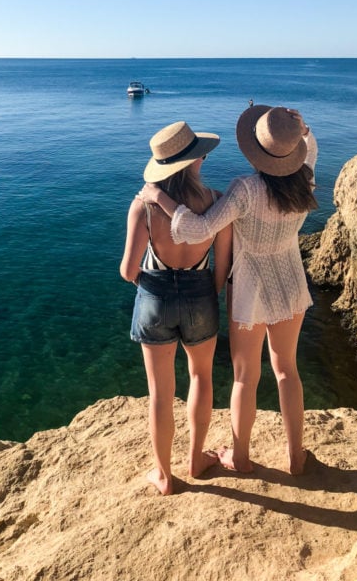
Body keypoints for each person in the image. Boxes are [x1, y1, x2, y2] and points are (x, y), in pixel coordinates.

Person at [138, 106, 317, 476]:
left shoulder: (244, 190)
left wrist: (160, 199)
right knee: (287, 370)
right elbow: (309, 151)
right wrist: (301, 132)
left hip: (250, 290)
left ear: (255, 149)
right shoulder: (306, 180)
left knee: (244, 377)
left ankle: (239, 456)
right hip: (290, 284)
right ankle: (296, 455)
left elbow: (199, 229)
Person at [120, 121, 232, 495]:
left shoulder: (143, 207)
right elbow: (223, 267)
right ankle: (197, 459)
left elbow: (127, 270)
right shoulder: (217, 203)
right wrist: (205, 294)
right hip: (201, 295)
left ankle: (165, 476)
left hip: (154, 298)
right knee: (201, 377)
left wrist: (153, 286)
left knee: (160, 392)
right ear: (198, 159)